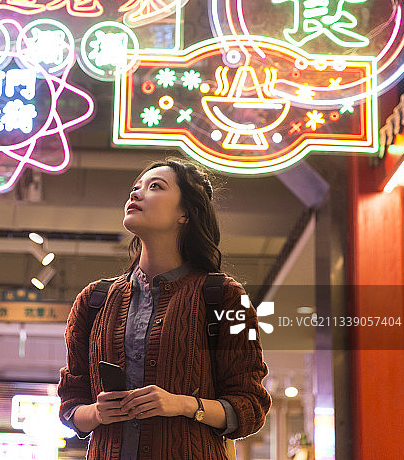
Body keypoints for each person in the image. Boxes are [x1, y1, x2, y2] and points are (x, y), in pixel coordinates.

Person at [58, 159, 271, 459]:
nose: (135, 194)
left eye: (154, 187)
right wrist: (96, 413)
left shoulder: (226, 296)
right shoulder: (93, 300)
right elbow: (70, 404)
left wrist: (183, 405)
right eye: (135, 188)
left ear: (185, 213)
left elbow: (251, 406)